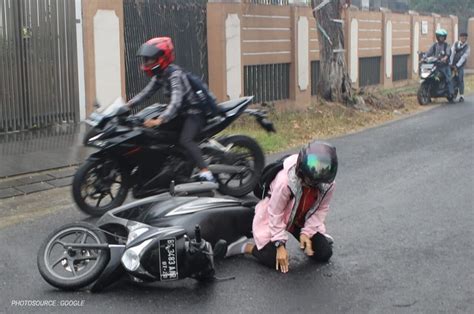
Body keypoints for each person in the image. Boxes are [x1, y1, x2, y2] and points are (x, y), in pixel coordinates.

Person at [225, 141, 338, 273]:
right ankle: (246, 247)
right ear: (301, 172)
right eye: (309, 181)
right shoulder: (285, 182)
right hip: (278, 216)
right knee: (275, 260)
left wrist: (307, 232)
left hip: (299, 219)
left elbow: (321, 209)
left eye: (318, 183)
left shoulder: (328, 184)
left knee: (324, 254)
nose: (313, 185)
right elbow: (275, 212)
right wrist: (280, 245)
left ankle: (305, 239)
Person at [126, 37, 215, 182]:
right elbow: (145, 93)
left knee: (186, 140)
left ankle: (206, 172)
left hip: (194, 113)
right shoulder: (160, 75)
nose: (146, 63)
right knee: (155, 134)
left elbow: (176, 101)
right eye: (145, 59)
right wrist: (127, 106)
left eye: (149, 59)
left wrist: (159, 120)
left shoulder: (175, 75)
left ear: (161, 58)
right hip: (181, 114)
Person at [426, 29, 454, 99]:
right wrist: (424, 58)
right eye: (440, 36)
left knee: (448, 79)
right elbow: (428, 53)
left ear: (445, 37)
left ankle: (451, 94)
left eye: (443, 37)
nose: (441, 38)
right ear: (437, 37)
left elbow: (448, 53)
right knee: (430, 77)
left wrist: (445, 58)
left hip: (444, 66)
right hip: (436, 66)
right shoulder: (434, 45)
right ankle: (430, 92)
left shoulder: (446, 45)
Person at [450, 32, 471, 102]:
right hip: (452, 65)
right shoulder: (455, 44)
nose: (463, 38)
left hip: (460, 66)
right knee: (451, 79)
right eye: (462, 37)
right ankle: (451, 94)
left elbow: (463, 58)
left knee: (460, 79)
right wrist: (450, 63)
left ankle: (461, 96)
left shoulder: (467, 47)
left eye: (465, 37)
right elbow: (452, 53)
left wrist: (457, 66)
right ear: (460, 37)